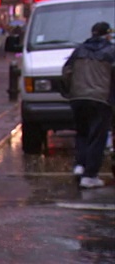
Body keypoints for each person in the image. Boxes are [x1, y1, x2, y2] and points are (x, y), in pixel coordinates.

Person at [62, 22, 115, 189]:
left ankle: (80, 165)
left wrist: (69, 91)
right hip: (100, 99)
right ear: (107, 34)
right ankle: (90, 175)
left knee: (82, 133)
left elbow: (67, 72)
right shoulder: (111, 51)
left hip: (78, 98)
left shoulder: (79, 50)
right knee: (97, 136)